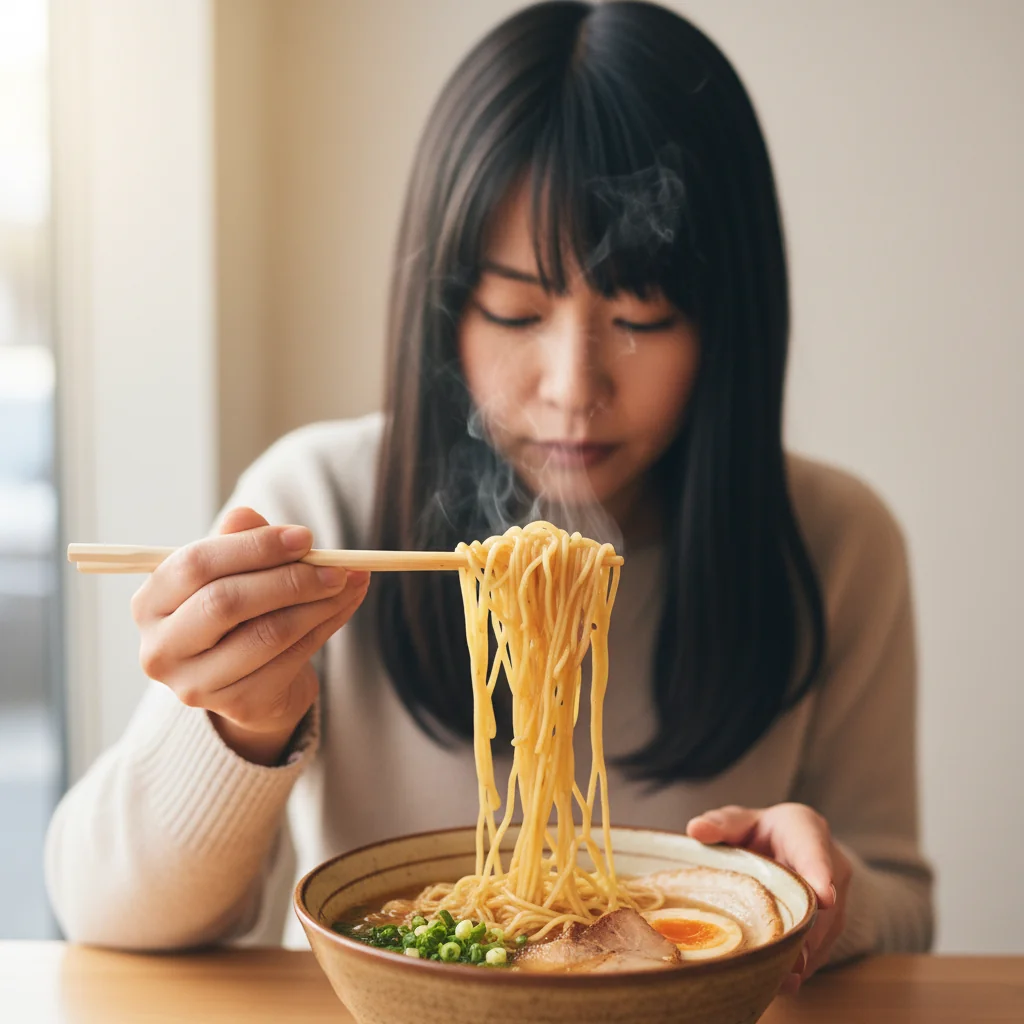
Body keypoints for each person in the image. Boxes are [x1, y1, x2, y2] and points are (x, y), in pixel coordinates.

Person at [45, 0, 932, 989]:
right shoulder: (320, 504)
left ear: (730, 323)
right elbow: (104, 914)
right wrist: (237, 726)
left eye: (641, 314)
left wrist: (817, 889)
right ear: (444, 311)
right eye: (515, 310)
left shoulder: (834, 542)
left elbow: (904, 905)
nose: (572, 385)